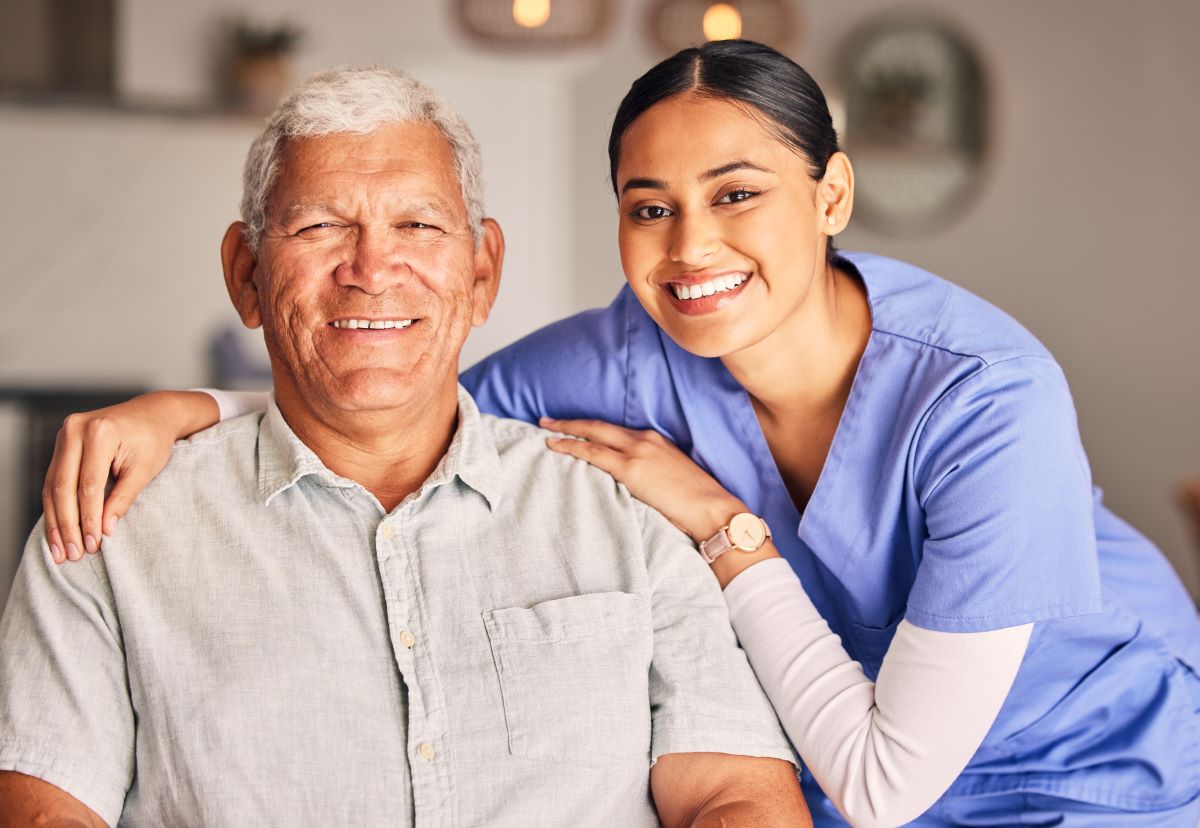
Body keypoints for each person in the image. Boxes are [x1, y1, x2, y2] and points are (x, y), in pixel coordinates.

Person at [35, 41, 1200, 827]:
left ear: (832, 196)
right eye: (652, 207)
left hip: (1091, 767)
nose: (692, 247)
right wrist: (191, 414)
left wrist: (725, 531)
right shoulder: (619, 360)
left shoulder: (990, 401)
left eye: (738, 192)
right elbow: (391, 381)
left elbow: (883, 776)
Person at [0, 66, 811, 827]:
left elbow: (737, 793)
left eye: (418, 225)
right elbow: (44, 804)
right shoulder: (112, 528)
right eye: (319, 226)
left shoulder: (623, 512)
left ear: (482, 272)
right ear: (245, 275)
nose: (371, 268)